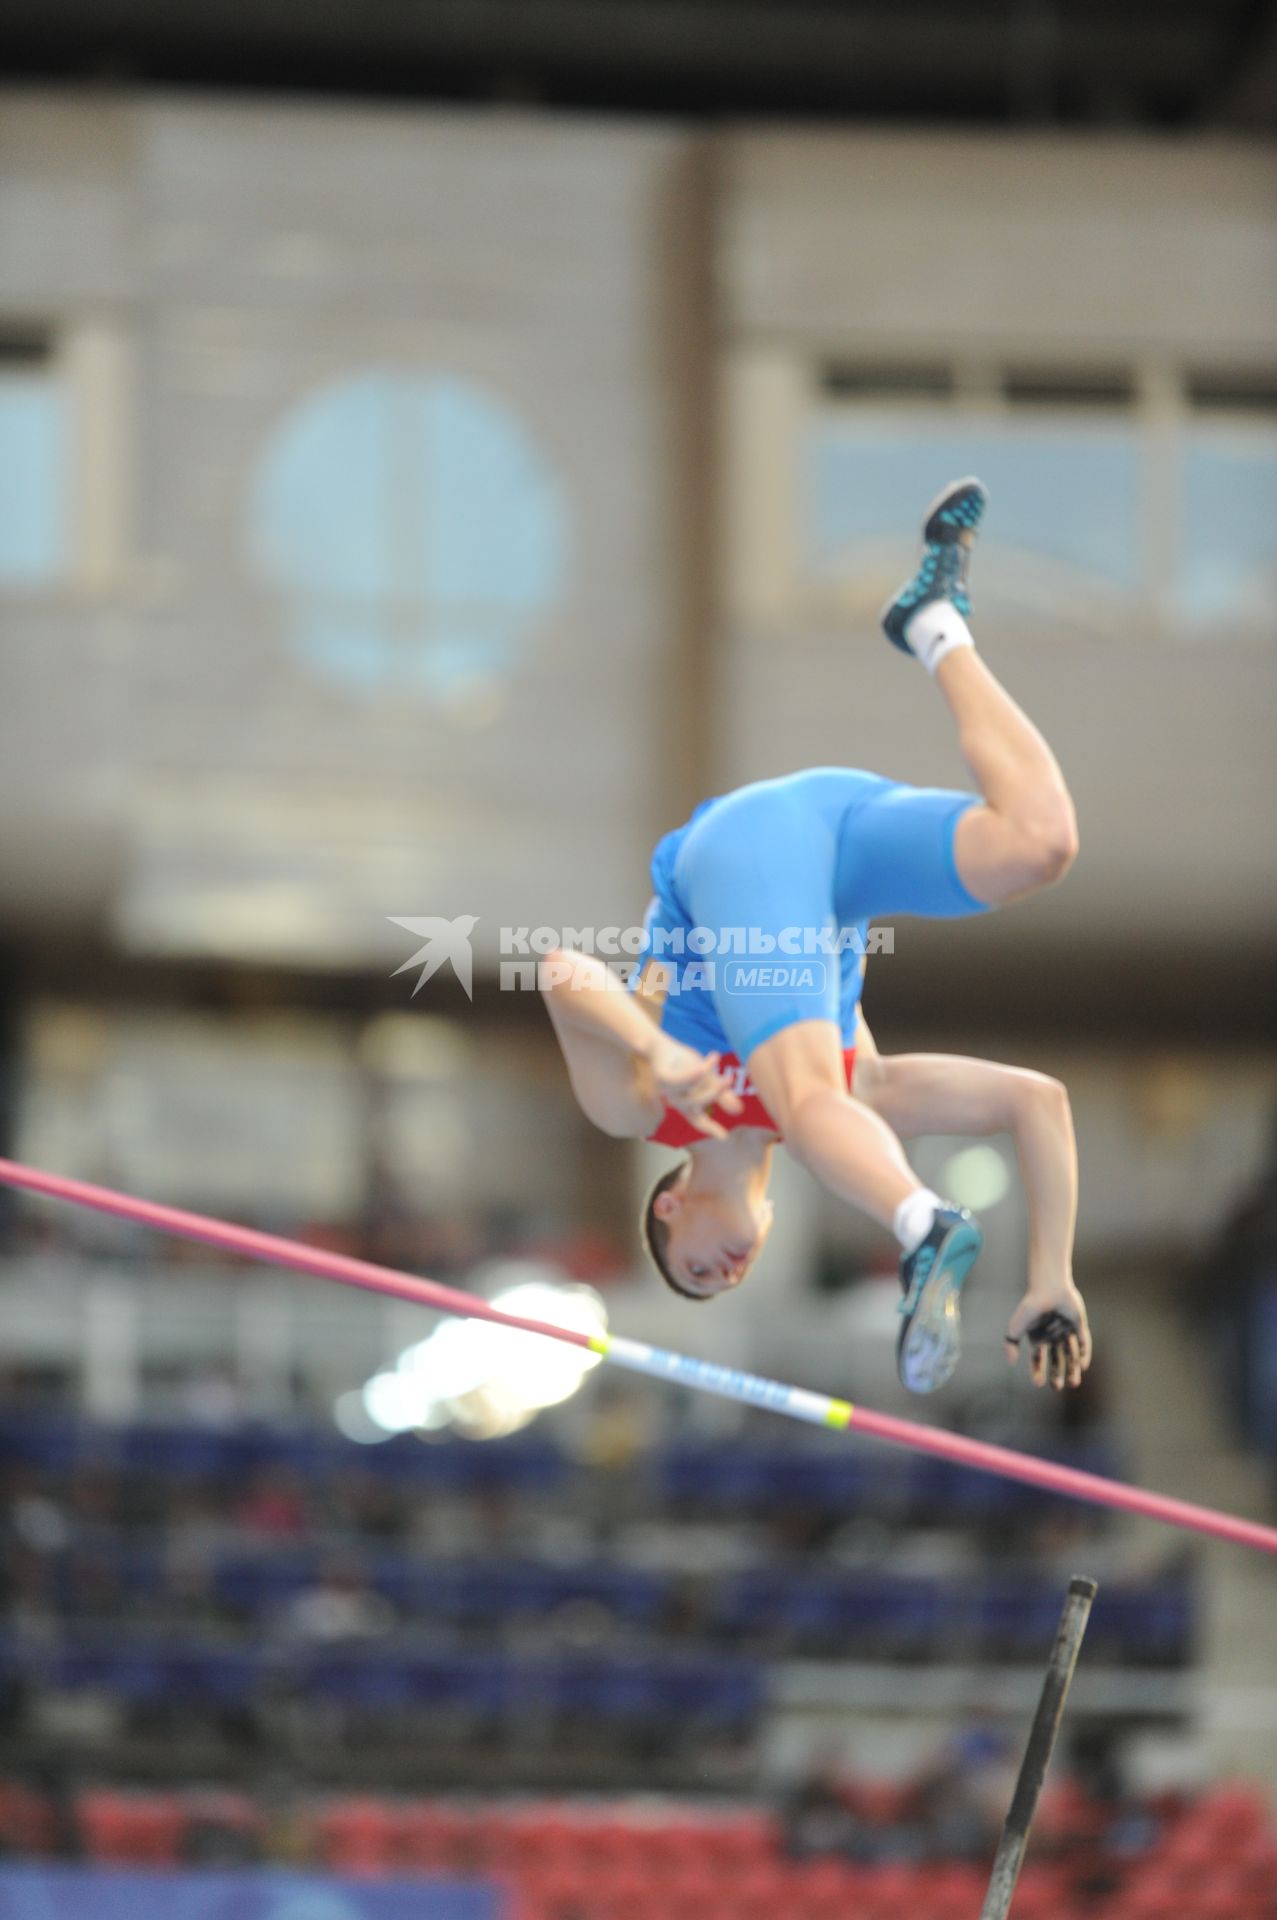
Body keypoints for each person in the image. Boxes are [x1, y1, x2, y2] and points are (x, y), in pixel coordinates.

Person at [540, 481, 1091, 1394]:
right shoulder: (847, 1092)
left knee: (809, 1099)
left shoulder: (640, 1107)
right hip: (832, 833)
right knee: (1039, 845)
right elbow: (1040, 1102)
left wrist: (652, 1047)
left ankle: (923, 1226)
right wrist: (1051, 1276)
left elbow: (560, 971)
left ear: (670, 1204)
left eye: (692, 1268)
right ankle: (936, 626)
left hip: (739, 852)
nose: (720, 1279)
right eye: (720, 1285)